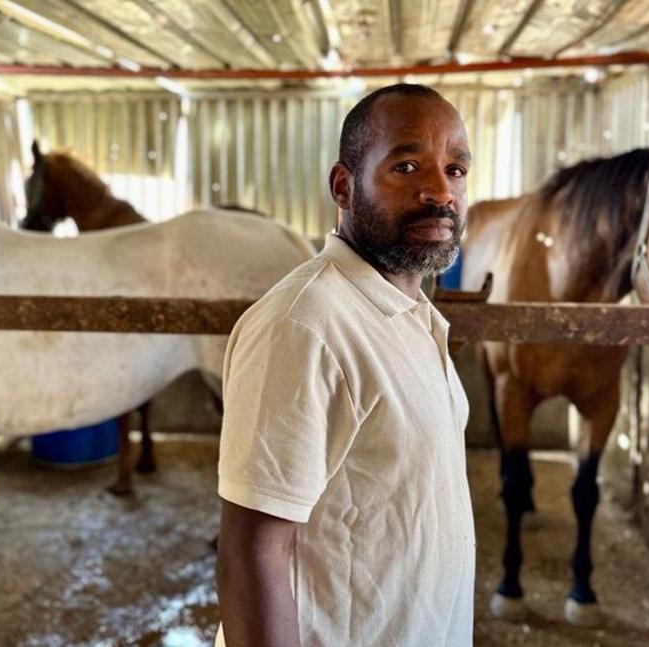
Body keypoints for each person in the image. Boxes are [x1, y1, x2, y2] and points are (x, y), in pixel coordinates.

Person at [215, 83, 476, 647]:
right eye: (406, 166)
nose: (440, 192)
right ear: (344, 187)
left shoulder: (410, 312)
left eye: (455, 170)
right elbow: (250, 551)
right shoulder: (303, 325)